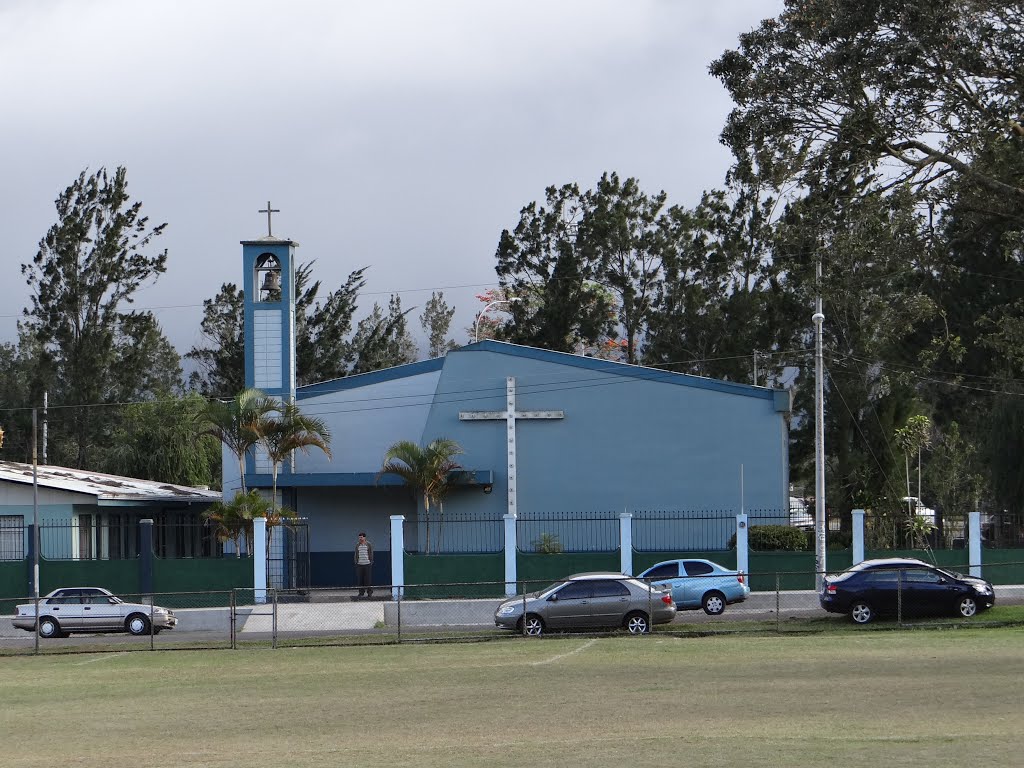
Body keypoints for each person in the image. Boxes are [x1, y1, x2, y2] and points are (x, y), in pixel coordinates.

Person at [354, 532, 374, 598]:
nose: (360, 538)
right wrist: (356, 561)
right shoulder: (357, 545)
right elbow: (356, 553)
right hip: (359, 564)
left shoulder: (368, 544)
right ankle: (361, 592)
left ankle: (369, 593)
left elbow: (371, 553)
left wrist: (371, 561)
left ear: (364, 537)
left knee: (368, 579)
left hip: (367, 564)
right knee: (360, 579)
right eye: (359, 537)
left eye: (361, 537)